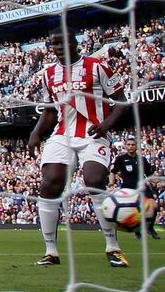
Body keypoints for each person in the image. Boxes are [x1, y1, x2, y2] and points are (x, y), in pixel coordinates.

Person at [28, 29, 129, 267]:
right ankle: (51, 252)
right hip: (62, 134)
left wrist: (105, 125)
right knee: (49, 182)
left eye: (62, 42)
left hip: (93, 133)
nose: (58, 47)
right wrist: (35, 132)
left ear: (74, 43)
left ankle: (112, 247)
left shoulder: (97, 67)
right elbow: (51, 110)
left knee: (94, 180)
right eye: (54, 44)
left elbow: (122, 102)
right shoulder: (49, 74)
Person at [110, 136, 160, 239]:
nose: (130, 147)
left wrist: (157, 182)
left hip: (142, 187)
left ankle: (150, 228)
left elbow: (150, 175)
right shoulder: (120, 159)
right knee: (132, 210)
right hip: (128, 189)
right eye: (128, 145)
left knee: (154, 206)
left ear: (136, 146)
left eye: (132, 145)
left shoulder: (142, 159)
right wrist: (111, 184)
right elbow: (113, 172)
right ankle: (136, 231)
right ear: (125, 146)